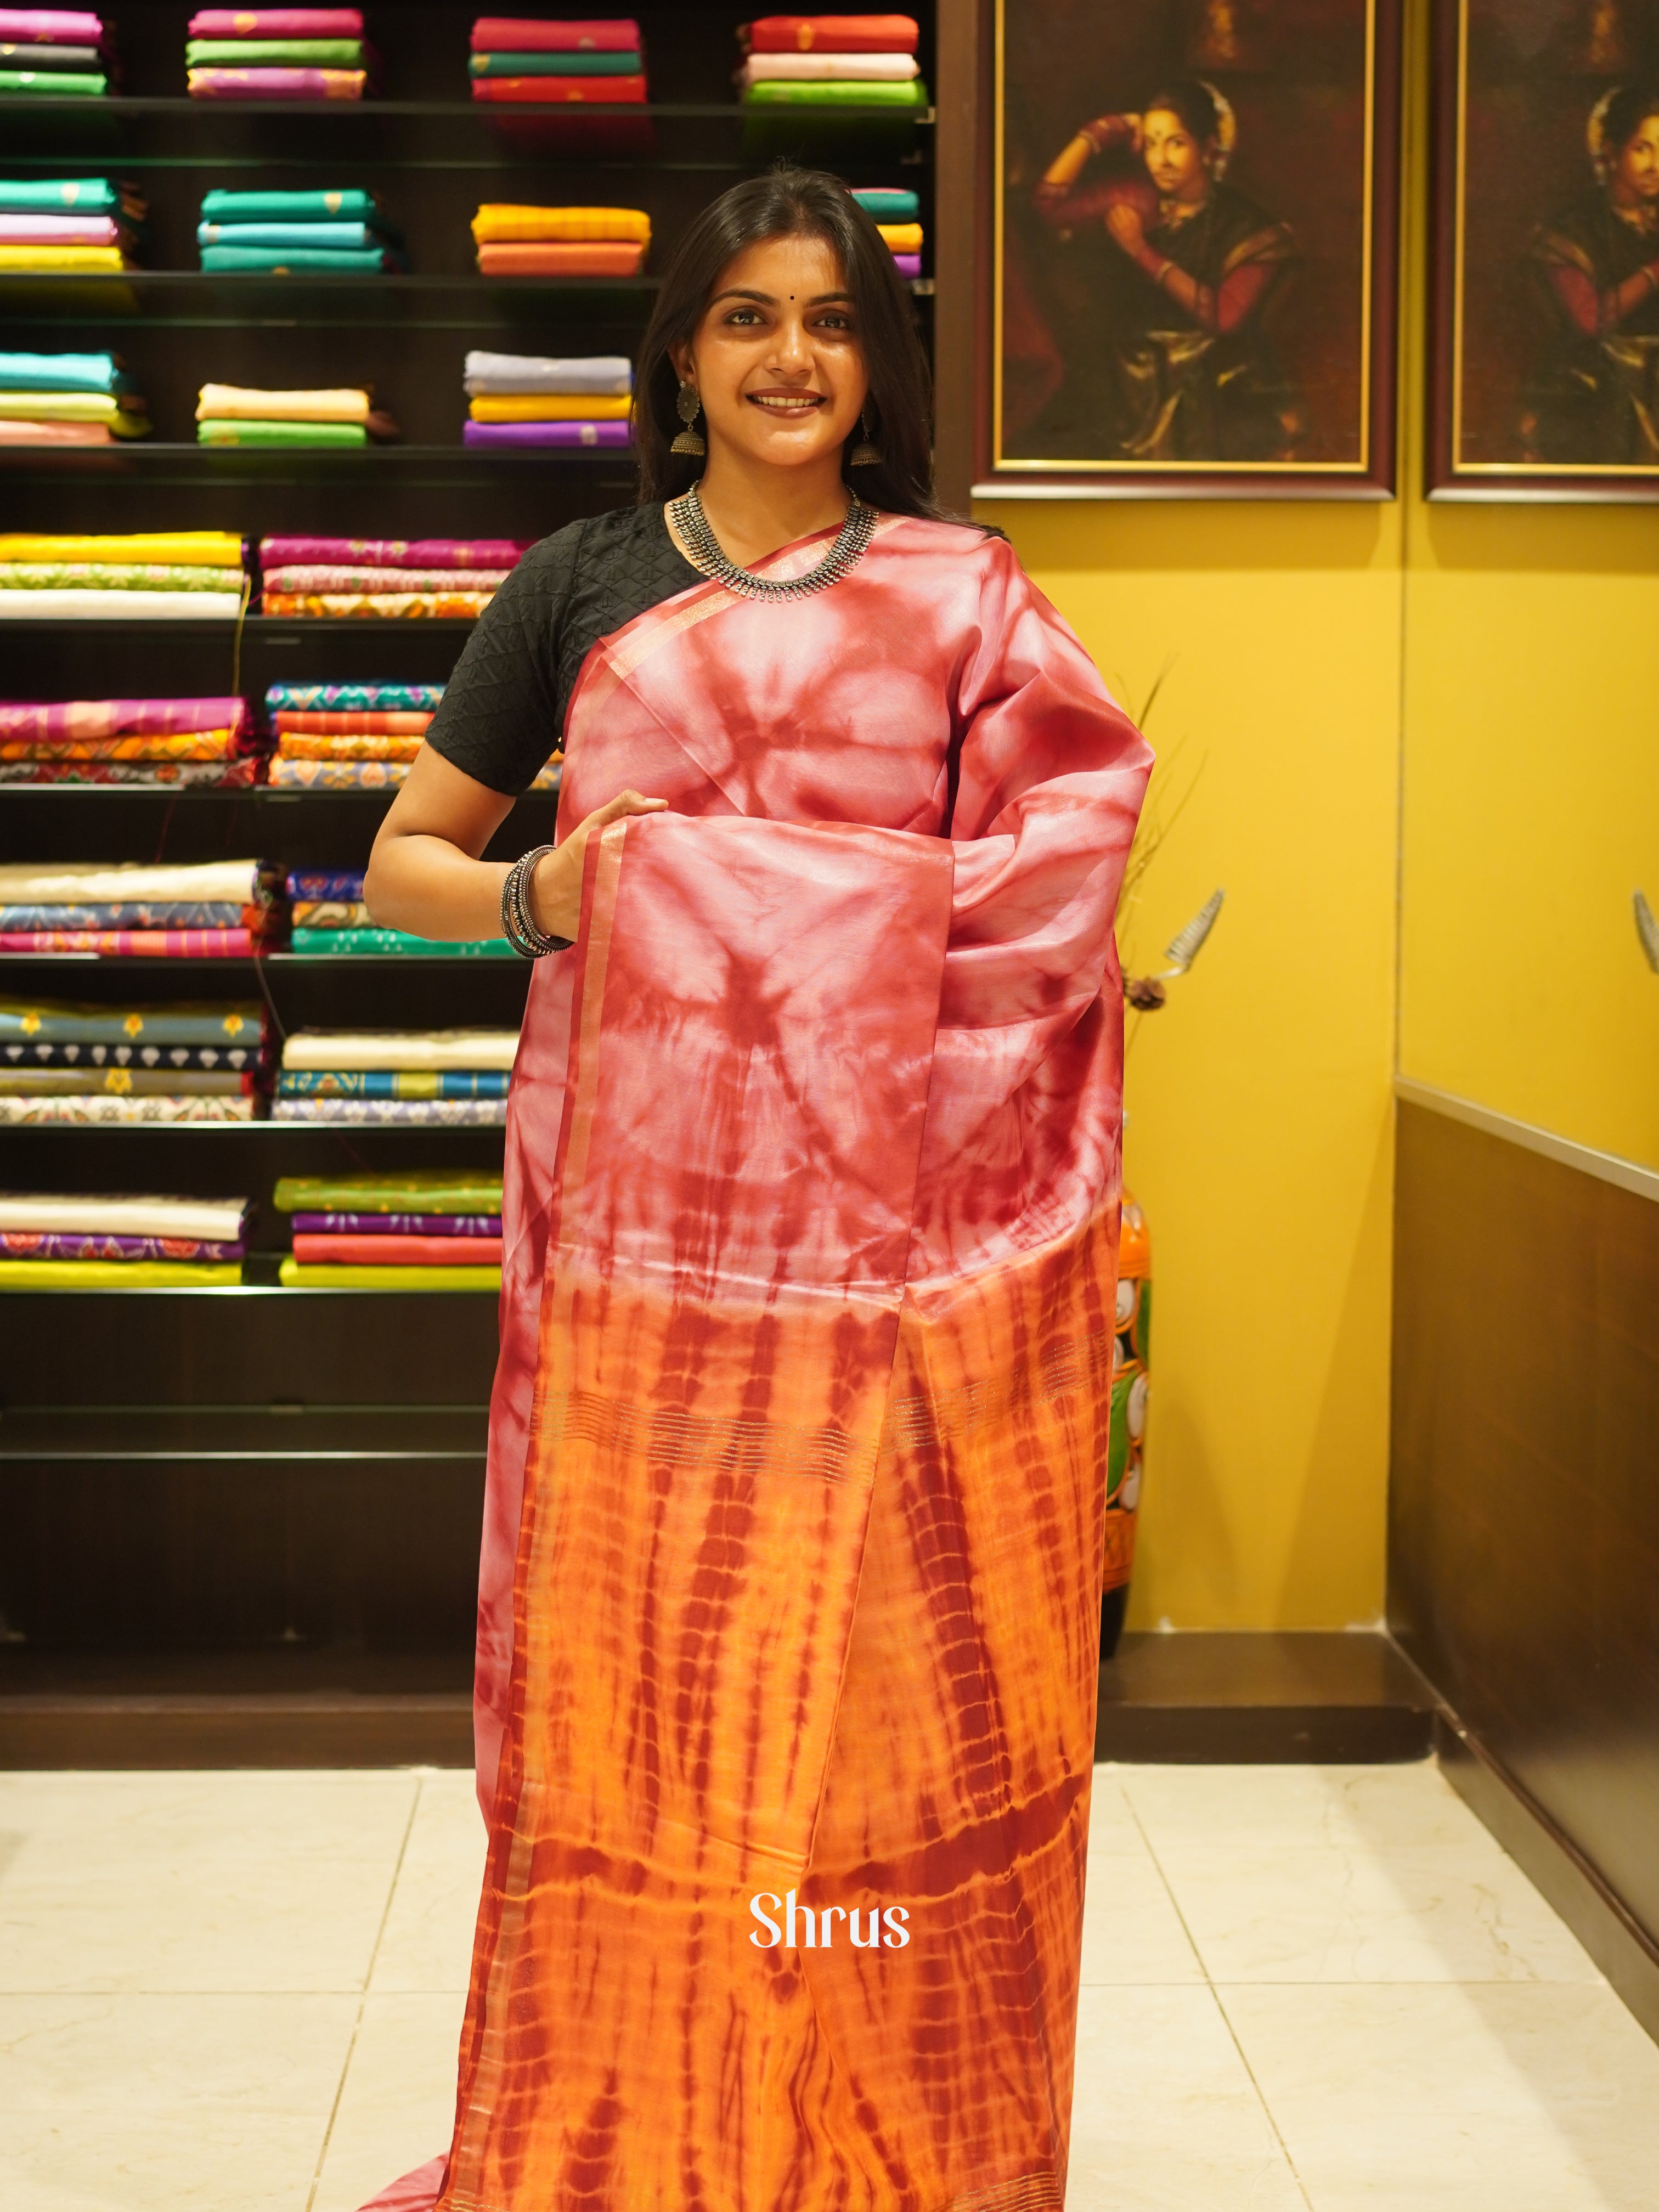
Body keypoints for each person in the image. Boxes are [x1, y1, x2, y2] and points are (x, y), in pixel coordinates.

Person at [357, 163, 1151, 2212]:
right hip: (643, 1252)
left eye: (823, 318)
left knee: (883, 1697)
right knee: (656, 1686)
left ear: (871, 360)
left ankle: (872, 2109)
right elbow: (405, 861)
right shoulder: (584, 580)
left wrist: (787, 907)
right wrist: (565, 884)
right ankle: (648, 2098)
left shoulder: (968, 594)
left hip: (900, 1263)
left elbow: (1060, 874)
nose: (785, 355)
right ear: (680, 352)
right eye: (742, 317)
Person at [1030, 77, 1301, 460]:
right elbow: (1048, 204)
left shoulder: (1248, 227)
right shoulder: (1138, 198)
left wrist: (1141, 251)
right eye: (1152, 143)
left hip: (1210, 386)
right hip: (1129, 382)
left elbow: (1223, 316)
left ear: (1208, 149)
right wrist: (1102, 132)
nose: (1161, 160)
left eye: (1176, 143)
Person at [1521, 84, 1659, 464]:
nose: (1656, 166)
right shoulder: (1573, 229)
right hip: (1599, 389)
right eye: (1643, 149)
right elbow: (1590, 320)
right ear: (1612, 153)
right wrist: (1653, 274)